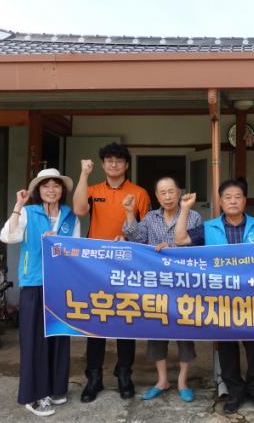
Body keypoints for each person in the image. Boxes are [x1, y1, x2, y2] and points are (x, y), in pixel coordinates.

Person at [173, 179, 254, 415]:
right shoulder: (208, 228)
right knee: (227, 348)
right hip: (221, 299)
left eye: (238, 197)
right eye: (228, 197)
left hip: (252, 298)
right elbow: (180, 240)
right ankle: (235, 391)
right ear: (220, 202)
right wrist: (185, 208)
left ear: (245, 201)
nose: (233, 201)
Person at [72, 142, 151, 402]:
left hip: (128, 264)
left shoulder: (139, 193)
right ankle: (93, 377)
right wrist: (83, 174)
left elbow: (146, 230)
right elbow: (79, 210)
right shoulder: (94, 190)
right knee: (97, 319)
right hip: (96, 265)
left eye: (119, 160)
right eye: (109, 160)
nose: (114, 164)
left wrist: (128, 239)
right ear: (103, 164)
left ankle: (124, 374)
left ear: (126, 165)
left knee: (126, 319)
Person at [0, 168, 80, 417]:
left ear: (62, 190)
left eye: (56, 185)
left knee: (58, 336)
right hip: (34, 283)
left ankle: (55, 388)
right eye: (46, 186)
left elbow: (76, 250)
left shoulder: (70, 217)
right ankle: (33, 395)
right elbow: (8, 236)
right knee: (34, 340)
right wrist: (18, 205)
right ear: (38, 190)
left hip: (60, 285)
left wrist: (59, 244)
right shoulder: (28, 212)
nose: (51, 190)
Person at [122, 176, 202, 402]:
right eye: (163, 193)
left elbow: (197, 245)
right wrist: (129, 212)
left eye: (171, 191)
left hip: (183, 285)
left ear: (179, 192)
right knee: (157, 332)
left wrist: (173, 247)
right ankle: (162, 380)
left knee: (184, 333)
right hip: (156, 285)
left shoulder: (193, 216)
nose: (167, 197)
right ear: (156, 196)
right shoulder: (150, 217)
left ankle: (183, 382)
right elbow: (135, 237)